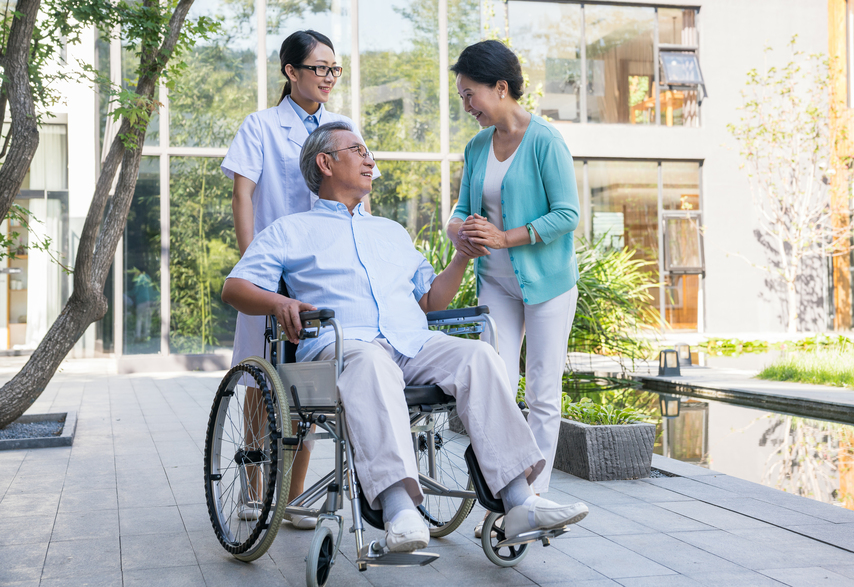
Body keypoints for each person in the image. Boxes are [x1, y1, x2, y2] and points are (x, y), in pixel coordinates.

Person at [221, 122, 589, 552]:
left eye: (368, 152)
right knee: (371, 363)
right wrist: (277, 303)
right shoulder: (289, 230)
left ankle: (520, 500)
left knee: (479, 356)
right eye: (357, 150)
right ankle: (399, 509)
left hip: (411, 344)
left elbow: (430, 300)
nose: (369, 159)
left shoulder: (391, 232)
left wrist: (461, 258)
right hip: (342, 348)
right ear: (325, 162)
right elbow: (235, 289)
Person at [221, 29, 378, 528]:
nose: (329, 77)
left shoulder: (342, 126)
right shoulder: (261, 125)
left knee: (307, 384)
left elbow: (360, 197)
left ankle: (293, 497)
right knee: (259, 379)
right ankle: (252, 489)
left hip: (324, 272)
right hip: (273, 270)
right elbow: (243, 196)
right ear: (291, 72)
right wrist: (256, 272)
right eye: (320, 68)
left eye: (335, 68)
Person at [447, 41, 581, 517]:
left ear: (500, 88)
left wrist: (505, 238)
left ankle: (535, 495)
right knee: (496, 383)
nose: (466, 106)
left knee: (543, 389)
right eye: (462, 97)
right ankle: (508, 484)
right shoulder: (477, 146)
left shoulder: (545, 140)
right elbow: (461, 212)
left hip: (546, 283)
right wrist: (460, 230)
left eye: (470, 95)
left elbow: (568, 214)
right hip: (496, 284)